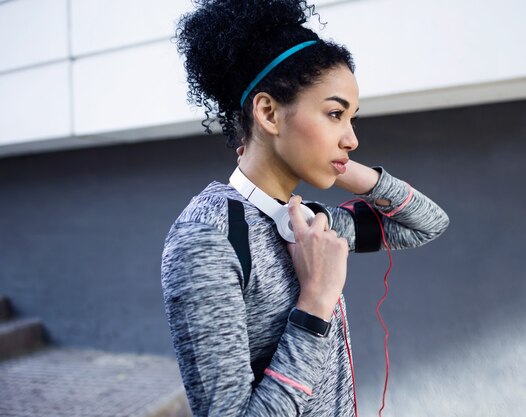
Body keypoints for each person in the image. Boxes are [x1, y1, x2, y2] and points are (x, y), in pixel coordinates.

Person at [160, 1, 450, 416]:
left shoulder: (310, 222)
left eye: (351, 118)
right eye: (335, 114)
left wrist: (349, 170)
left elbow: (426, 224)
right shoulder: (209, 239)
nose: (352, 139)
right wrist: (316, 300)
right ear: (269, 113)